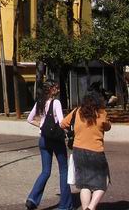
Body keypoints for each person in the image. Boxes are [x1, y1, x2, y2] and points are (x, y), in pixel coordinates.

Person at [25, 80, 73, 210]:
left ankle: (32, 199)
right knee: (64, 170)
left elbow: (29, 119)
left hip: (43, 139)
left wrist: (41, 125)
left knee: (45, 171)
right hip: (56, 140)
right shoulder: (56, 102)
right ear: (51, 89)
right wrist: (69, 132)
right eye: (56, 87)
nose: (58, 89)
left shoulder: (40, 102)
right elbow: (62, 122)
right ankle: (65, 205)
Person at [60, 92, 111, 210]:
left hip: (78, 151)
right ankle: (91, 207)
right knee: (104, 181)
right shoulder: (102, 113)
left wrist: (72, 132)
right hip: (96, 151)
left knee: (84, 184)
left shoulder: (77, 111)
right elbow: (107, 127)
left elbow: (63, 124)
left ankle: (85, 208)